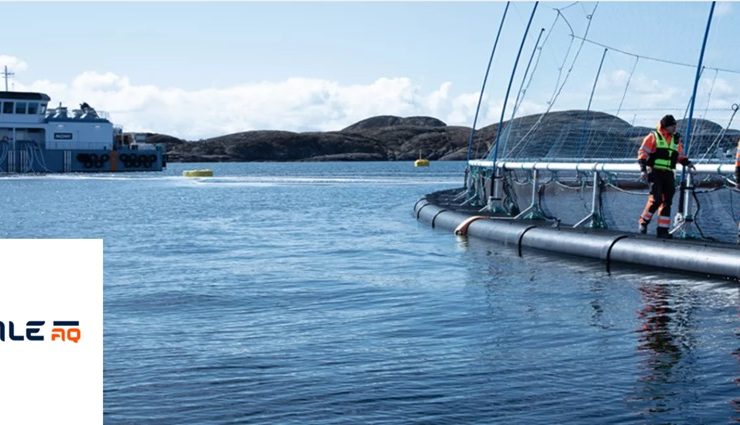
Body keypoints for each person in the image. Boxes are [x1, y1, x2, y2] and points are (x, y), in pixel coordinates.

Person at [637, 114, 695, 238]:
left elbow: (679, 155)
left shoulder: (676, 140)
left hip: (668, 173)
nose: (675, 128)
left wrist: (688, 163)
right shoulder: (653, 136)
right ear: (666, 126)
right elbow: (643, 153)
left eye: (675, 126)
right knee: (656, 199)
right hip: (655, 172)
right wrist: (643, 169)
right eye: (672, 126)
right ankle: (643, 222)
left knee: (667, 202)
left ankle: (662, 230)